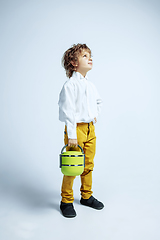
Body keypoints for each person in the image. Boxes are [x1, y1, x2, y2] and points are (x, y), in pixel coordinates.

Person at [58, 43, 104, 218]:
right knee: (72, 166)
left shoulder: (90, 85)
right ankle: (66, 200)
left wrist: (94, 115)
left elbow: (99, 101)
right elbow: (67, 110)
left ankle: (86, 195)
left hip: (90, 129)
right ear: (73, 62)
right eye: (85, 56)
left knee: (88, 165)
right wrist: (71, 134)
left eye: (90, 55)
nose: (89, 58)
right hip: (75, 130)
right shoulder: (70, 85)